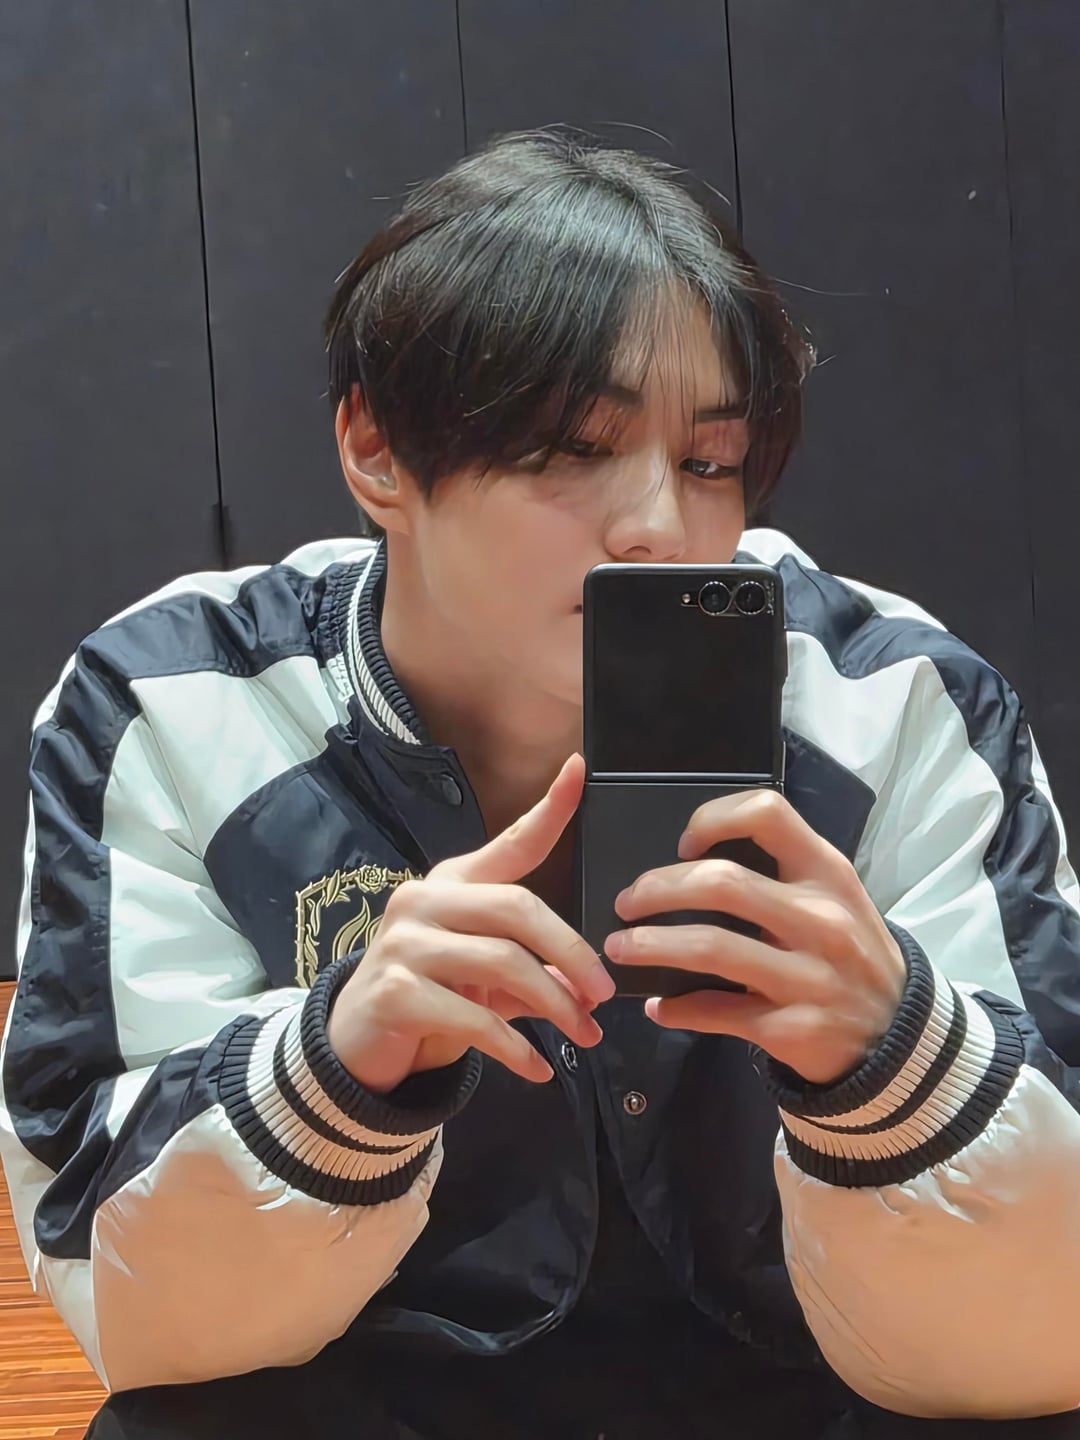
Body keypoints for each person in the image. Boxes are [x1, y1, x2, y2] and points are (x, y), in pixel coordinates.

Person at [3, 128, 1080, 1440]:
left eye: (709, 462)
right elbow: (133, 1312)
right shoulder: (175, 704)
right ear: (377, 449)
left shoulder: (895, 702)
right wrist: (330, 1071)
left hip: (820, 1381)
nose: (659, 526)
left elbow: (1044, 1340)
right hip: (372, 1388)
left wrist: (902, 1058)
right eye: (573, 447)